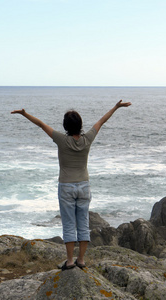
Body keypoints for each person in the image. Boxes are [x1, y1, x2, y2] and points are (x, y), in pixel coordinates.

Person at [11, 100, 132, 270]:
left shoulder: (61, 139)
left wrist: (24, 114)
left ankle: (69, 261)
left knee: (69, 224)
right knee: (83, 223)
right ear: (80, 124)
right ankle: (81, 260)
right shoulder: (87, 139)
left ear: (65, 125)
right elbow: (101, 121)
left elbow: (40, 124)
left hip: (66, 186)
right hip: (84, 186)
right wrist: (116, 107)